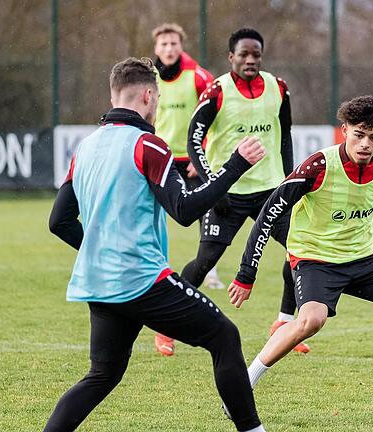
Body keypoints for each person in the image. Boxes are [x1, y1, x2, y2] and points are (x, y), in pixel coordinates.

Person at [45, 57, 268, 432]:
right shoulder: (149, 144)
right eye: (158, 98)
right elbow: (183, 210)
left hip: (99, 282)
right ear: (148, 96)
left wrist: (99, 250)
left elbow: (59, 221)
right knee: (224, 337)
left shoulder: (85, 147)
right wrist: (235, 166)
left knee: (103, 374)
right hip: (141, 280)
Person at [227, 95, 373, 414]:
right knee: (312, 320)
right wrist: (246, 274)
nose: (365, 143)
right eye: (359, 134)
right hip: (315, 261)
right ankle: (242, 388)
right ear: (344, 130)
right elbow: (269, 213)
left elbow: (362, 209)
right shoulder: (318, 165)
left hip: (362, 260)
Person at [183, 28, 309, 353]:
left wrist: (289, 179)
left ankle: (284, 322)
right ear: (231, 57)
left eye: (256, 55)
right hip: (227, 192)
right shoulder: (216, 91)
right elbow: (193, 141)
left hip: (270, 191)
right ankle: (167, 326)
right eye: (244, 54)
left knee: (300, 250)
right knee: (206, 259)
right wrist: (215, 184)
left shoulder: (278, 88)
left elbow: (285, 136)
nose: (250, 60)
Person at [148, 22, 220, 357]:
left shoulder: (199, 77)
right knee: (151, 217)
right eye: (163, 43)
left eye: (174, 42)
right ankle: (154, 267)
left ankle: (209, 264)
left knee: (208, 214)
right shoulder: (148, 77)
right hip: (157, 160)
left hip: (191, 160)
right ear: (156, 47)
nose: (169, 48)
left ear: (181, 45)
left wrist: (200, 153)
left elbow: (214, 117)